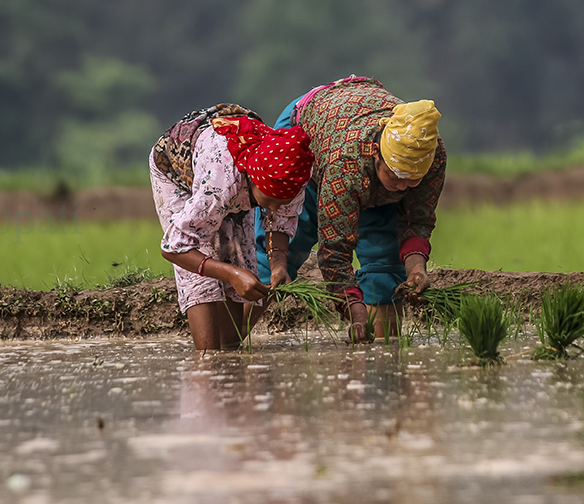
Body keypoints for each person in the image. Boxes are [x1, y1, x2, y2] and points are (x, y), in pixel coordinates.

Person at [255, 77, 444, 343]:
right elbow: (335, 251)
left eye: (412, 179)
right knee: (277, 256)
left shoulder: (431, 157)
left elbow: (418, 220)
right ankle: (230, 342)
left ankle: (385, 360)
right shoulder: (345, 166)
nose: (402, 187)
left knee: (385, 265)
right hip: (312, 136)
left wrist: (417, 269)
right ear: (376, 153)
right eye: (395, 176)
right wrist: (353, 308)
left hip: (357, 149)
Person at [150, 104, 313, 351]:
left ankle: (228, 360)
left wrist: (279, 265)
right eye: (268, 202)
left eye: (282, 203)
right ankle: (205, 361)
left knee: (236, 255)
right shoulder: (219, 187)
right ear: (253, 180)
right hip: (179, 172)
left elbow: (280, 221)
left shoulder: (292, 175)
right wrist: (231, 275)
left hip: (233, 175)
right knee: (203, 279)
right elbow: (173, 247)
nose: (273, 209)